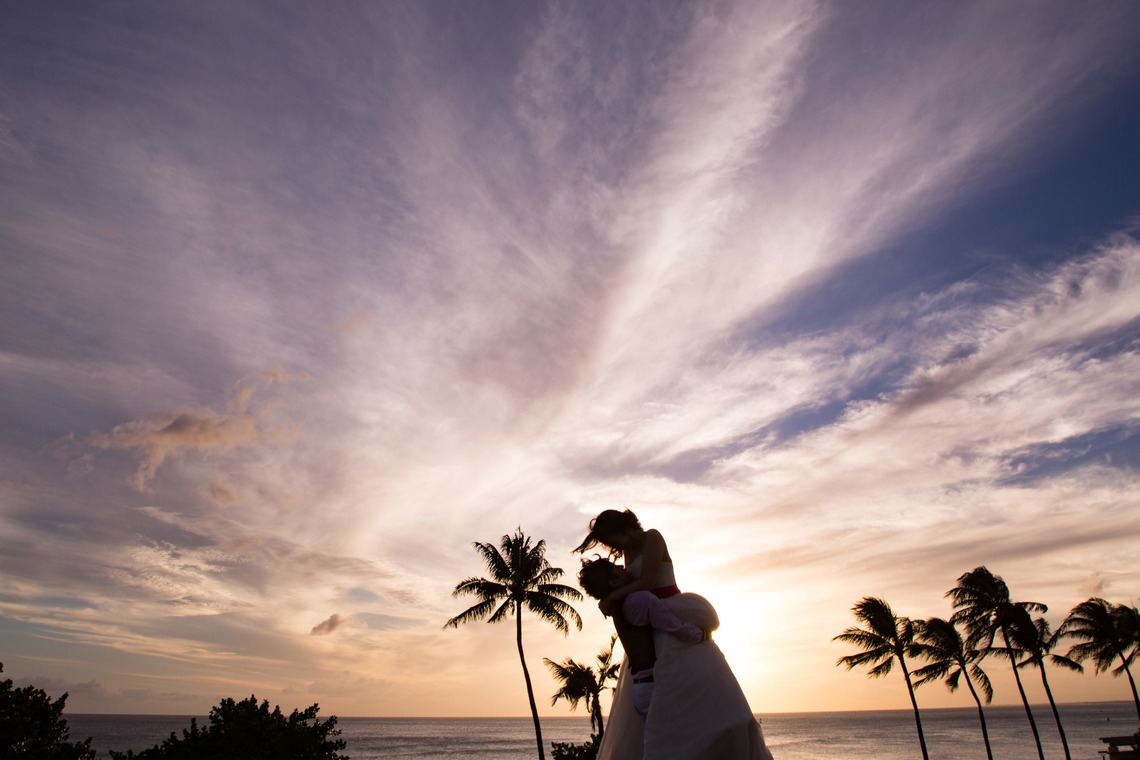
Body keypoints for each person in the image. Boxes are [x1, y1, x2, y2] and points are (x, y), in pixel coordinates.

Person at [576, 509, 774, 760]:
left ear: (622, 528)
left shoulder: (652, 537)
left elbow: (647, 581)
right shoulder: (627, 552)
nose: (614, 547)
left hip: (671, 608)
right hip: (652, 620)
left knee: (711, 702)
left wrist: (611, 597)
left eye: (613, 540)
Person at [578, 557, 707, 721]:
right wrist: (702, 634)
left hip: (641, 688)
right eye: (616, 568)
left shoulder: (617, 607)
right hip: (653, 688)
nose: (622, 566)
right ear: (614, 582)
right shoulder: (639, 600)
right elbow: (674, 626)